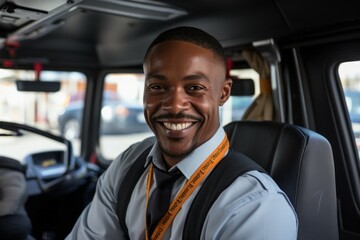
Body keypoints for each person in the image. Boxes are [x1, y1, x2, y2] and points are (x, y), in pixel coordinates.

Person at [66, 26, 298, 240]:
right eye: (157, 87)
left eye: (194, 88)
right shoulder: (129, 163)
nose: (175, 106)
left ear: (223, 93)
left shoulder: (256, 208)